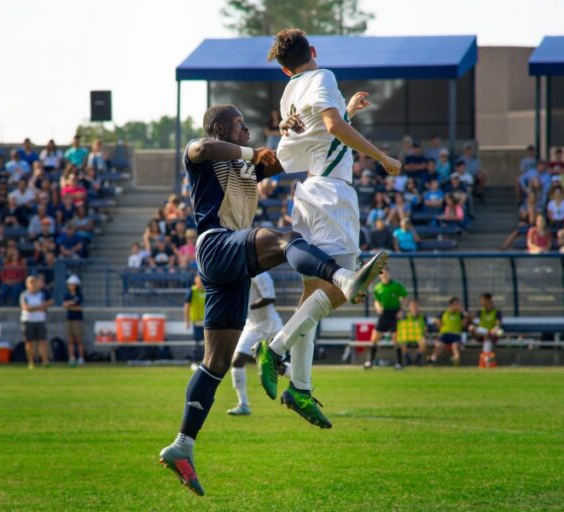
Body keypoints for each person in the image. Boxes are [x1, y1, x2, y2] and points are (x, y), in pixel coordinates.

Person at [158, 103, 387, 496]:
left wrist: (322, 120)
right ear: (219, 128)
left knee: (214, 364)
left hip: (231, 267)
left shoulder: (248, 165)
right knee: (284, 241)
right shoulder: (202, 151)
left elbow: (292, 154)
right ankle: (343, 277)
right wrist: (251, 153)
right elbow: (203, 150)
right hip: (215, 245)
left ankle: (182, 445)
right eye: (239, 125)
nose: (246, 131)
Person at [256, 27, 399, 420]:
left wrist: (347, 109)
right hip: (332, 195)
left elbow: (322, 135)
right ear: (314, 51)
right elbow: (333, 129)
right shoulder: (324, 76)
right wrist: (383, 157)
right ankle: (276, 347)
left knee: (313, 297)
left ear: (285, 71)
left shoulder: (291, 91)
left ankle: (300, 388)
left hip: (309, 192)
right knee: (344, 287)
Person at [228, 272, 285, 416]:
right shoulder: (241, 275)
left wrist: (246, 307)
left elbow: (269, 298)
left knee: (278, 367)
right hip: (253, 326)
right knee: (237, 361)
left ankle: (304, 385)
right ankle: (243, 404)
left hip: (270, 326)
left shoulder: (261, 274)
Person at [365, 267, 408, 370]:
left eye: (386, 273)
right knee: (375, 338)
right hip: (384, 314)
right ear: (379, 275)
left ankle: (399, 363)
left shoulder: (396, 285)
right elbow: (376, 301)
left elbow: (405, 296)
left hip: (394, 313)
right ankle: (370, 362)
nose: (384, 275)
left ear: (389, 274)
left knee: (395, 338)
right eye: (382, 274)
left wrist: (401, 310)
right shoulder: (377, 287)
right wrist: (378, 307)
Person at [20, 275, 52, 370]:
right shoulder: (24, 295)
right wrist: (38, 308)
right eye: (31, 283)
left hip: (40, 320)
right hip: (28, 320)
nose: (33, 285)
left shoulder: (41, 294)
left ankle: (45, 361)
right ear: (27, 284)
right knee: (29, 343)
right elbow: (26, 308)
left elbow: (47, 305)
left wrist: (34, 308)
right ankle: (31, 362)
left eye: (34, 283)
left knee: (43, 342)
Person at [429, 297, 467, 367]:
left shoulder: (460, 314)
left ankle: (456, 360)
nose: (458, 306)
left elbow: (464, 325)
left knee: (455, 346)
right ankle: (432, 359)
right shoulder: (444, 313)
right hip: (445, 335)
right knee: (440, 345)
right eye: (457, 304)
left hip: (456, 335)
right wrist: (438, 323)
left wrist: (464, 314)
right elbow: (436, 321)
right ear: (451, 305)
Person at [468, 293, 503, 365]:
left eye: (482, 300)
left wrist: (495, 329)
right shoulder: (480, 311)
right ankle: (487, 358)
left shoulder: (496, 312)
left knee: (487, 336)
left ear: (488, 300)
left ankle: (486, 357)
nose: (481, 302)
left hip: (492, 334)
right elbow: (474, 322)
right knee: (473, 328)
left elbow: (498, 325)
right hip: (480, 334)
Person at [395, 297, 428, 366]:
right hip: (407, 337)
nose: (414, 308)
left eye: (416, 306)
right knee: (401, 342)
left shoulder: (422, 317)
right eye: (412, 306)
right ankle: (408, 361)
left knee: (423, 342)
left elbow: (426, 328)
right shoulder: (405, 316)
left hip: (418, 336)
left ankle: (417, 360)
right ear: (409, 307)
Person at [183, 274, 206, 366]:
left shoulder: (207, 290)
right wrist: (187, 321)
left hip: (206, 321)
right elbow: (187, 306)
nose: (200, 281)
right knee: (196, 342)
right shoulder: (192, 291)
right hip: (196, 321)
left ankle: (205, 362)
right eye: (198, 279)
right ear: (195, 280)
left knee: (207, 343)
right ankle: (195, 361)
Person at [63, 275, 85, 367]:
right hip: (69, 319)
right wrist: (72, 304)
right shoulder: (67, 295)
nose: (71, 286)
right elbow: (64, 305)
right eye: (69, 284)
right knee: (70, 340)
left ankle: (81, 357)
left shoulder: (79, 295)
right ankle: (72, 357)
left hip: (77, 320)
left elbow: (79, 308)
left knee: (79, 339)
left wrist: (70, 305)